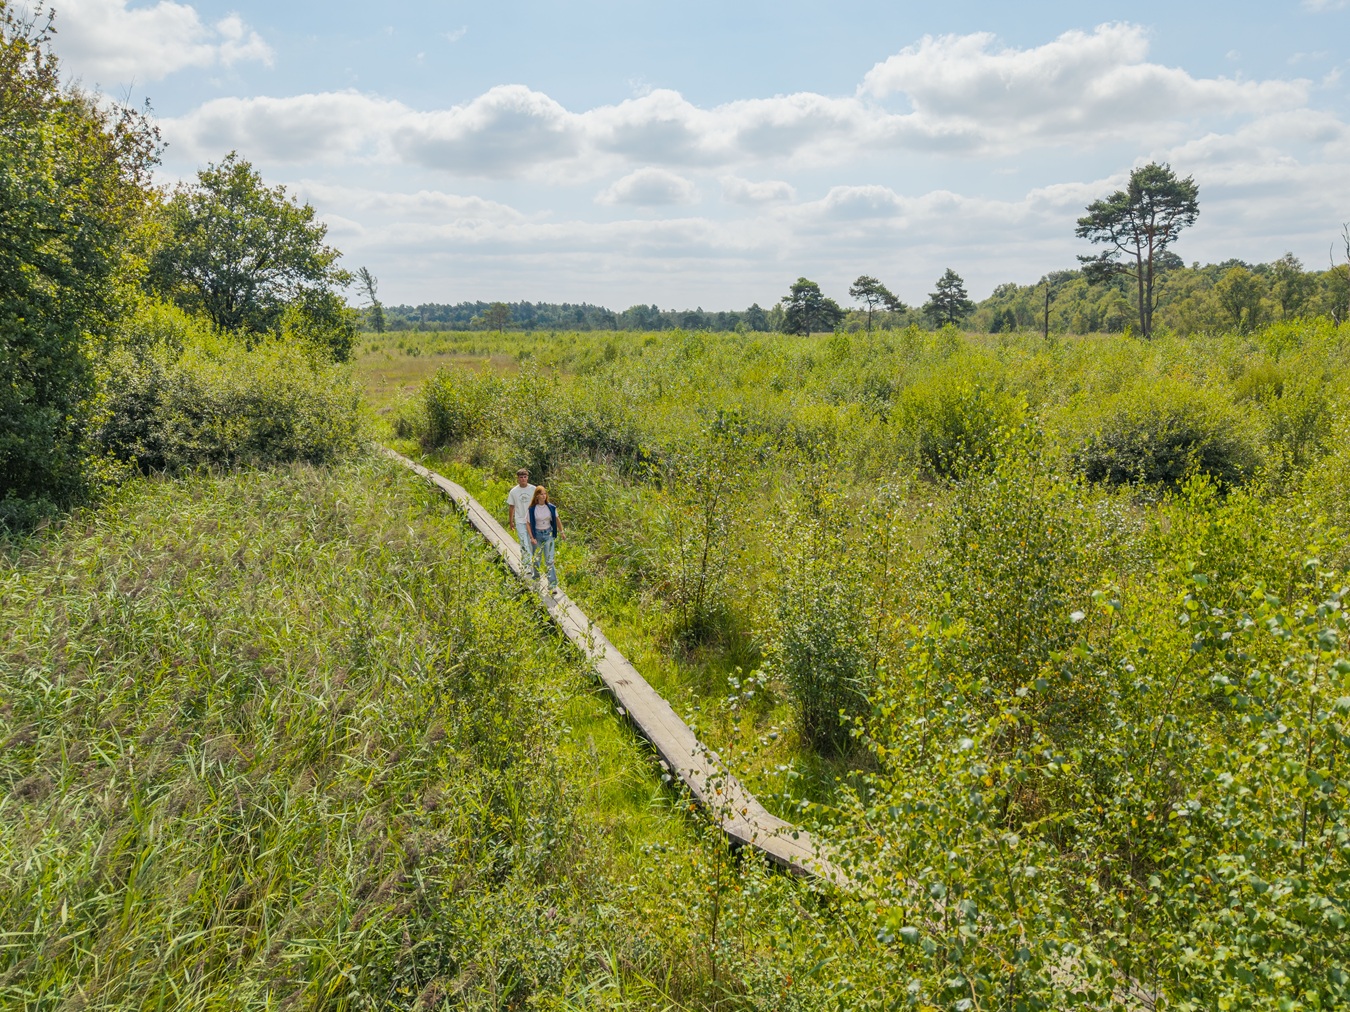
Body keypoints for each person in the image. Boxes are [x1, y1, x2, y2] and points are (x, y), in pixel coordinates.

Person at [527, 485, 564, 592]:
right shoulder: (532, 509)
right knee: (537, 559)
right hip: (537, 536)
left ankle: (552, 585)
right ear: (537, 496)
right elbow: (528, 524)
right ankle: (536, 580)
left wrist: (562, 532)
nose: (544, 496)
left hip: (548, 535)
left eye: (545, 494)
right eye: (541, 494)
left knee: (549, 560)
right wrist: (531, 537)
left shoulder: (551, 507)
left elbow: (557, 520)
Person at [505, 468, 536, 574]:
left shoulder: (533, 489)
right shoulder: (514, 491)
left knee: (531, 543)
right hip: (520, 520)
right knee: (524, 542)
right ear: (518, 478)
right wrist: (511, 521)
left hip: (532, 521)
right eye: (521, 477)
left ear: (527, 478)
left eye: (525, 477)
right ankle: (527, 566)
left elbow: (540, 503)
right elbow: (511, 506)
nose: (523, 479)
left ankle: (532, 564)